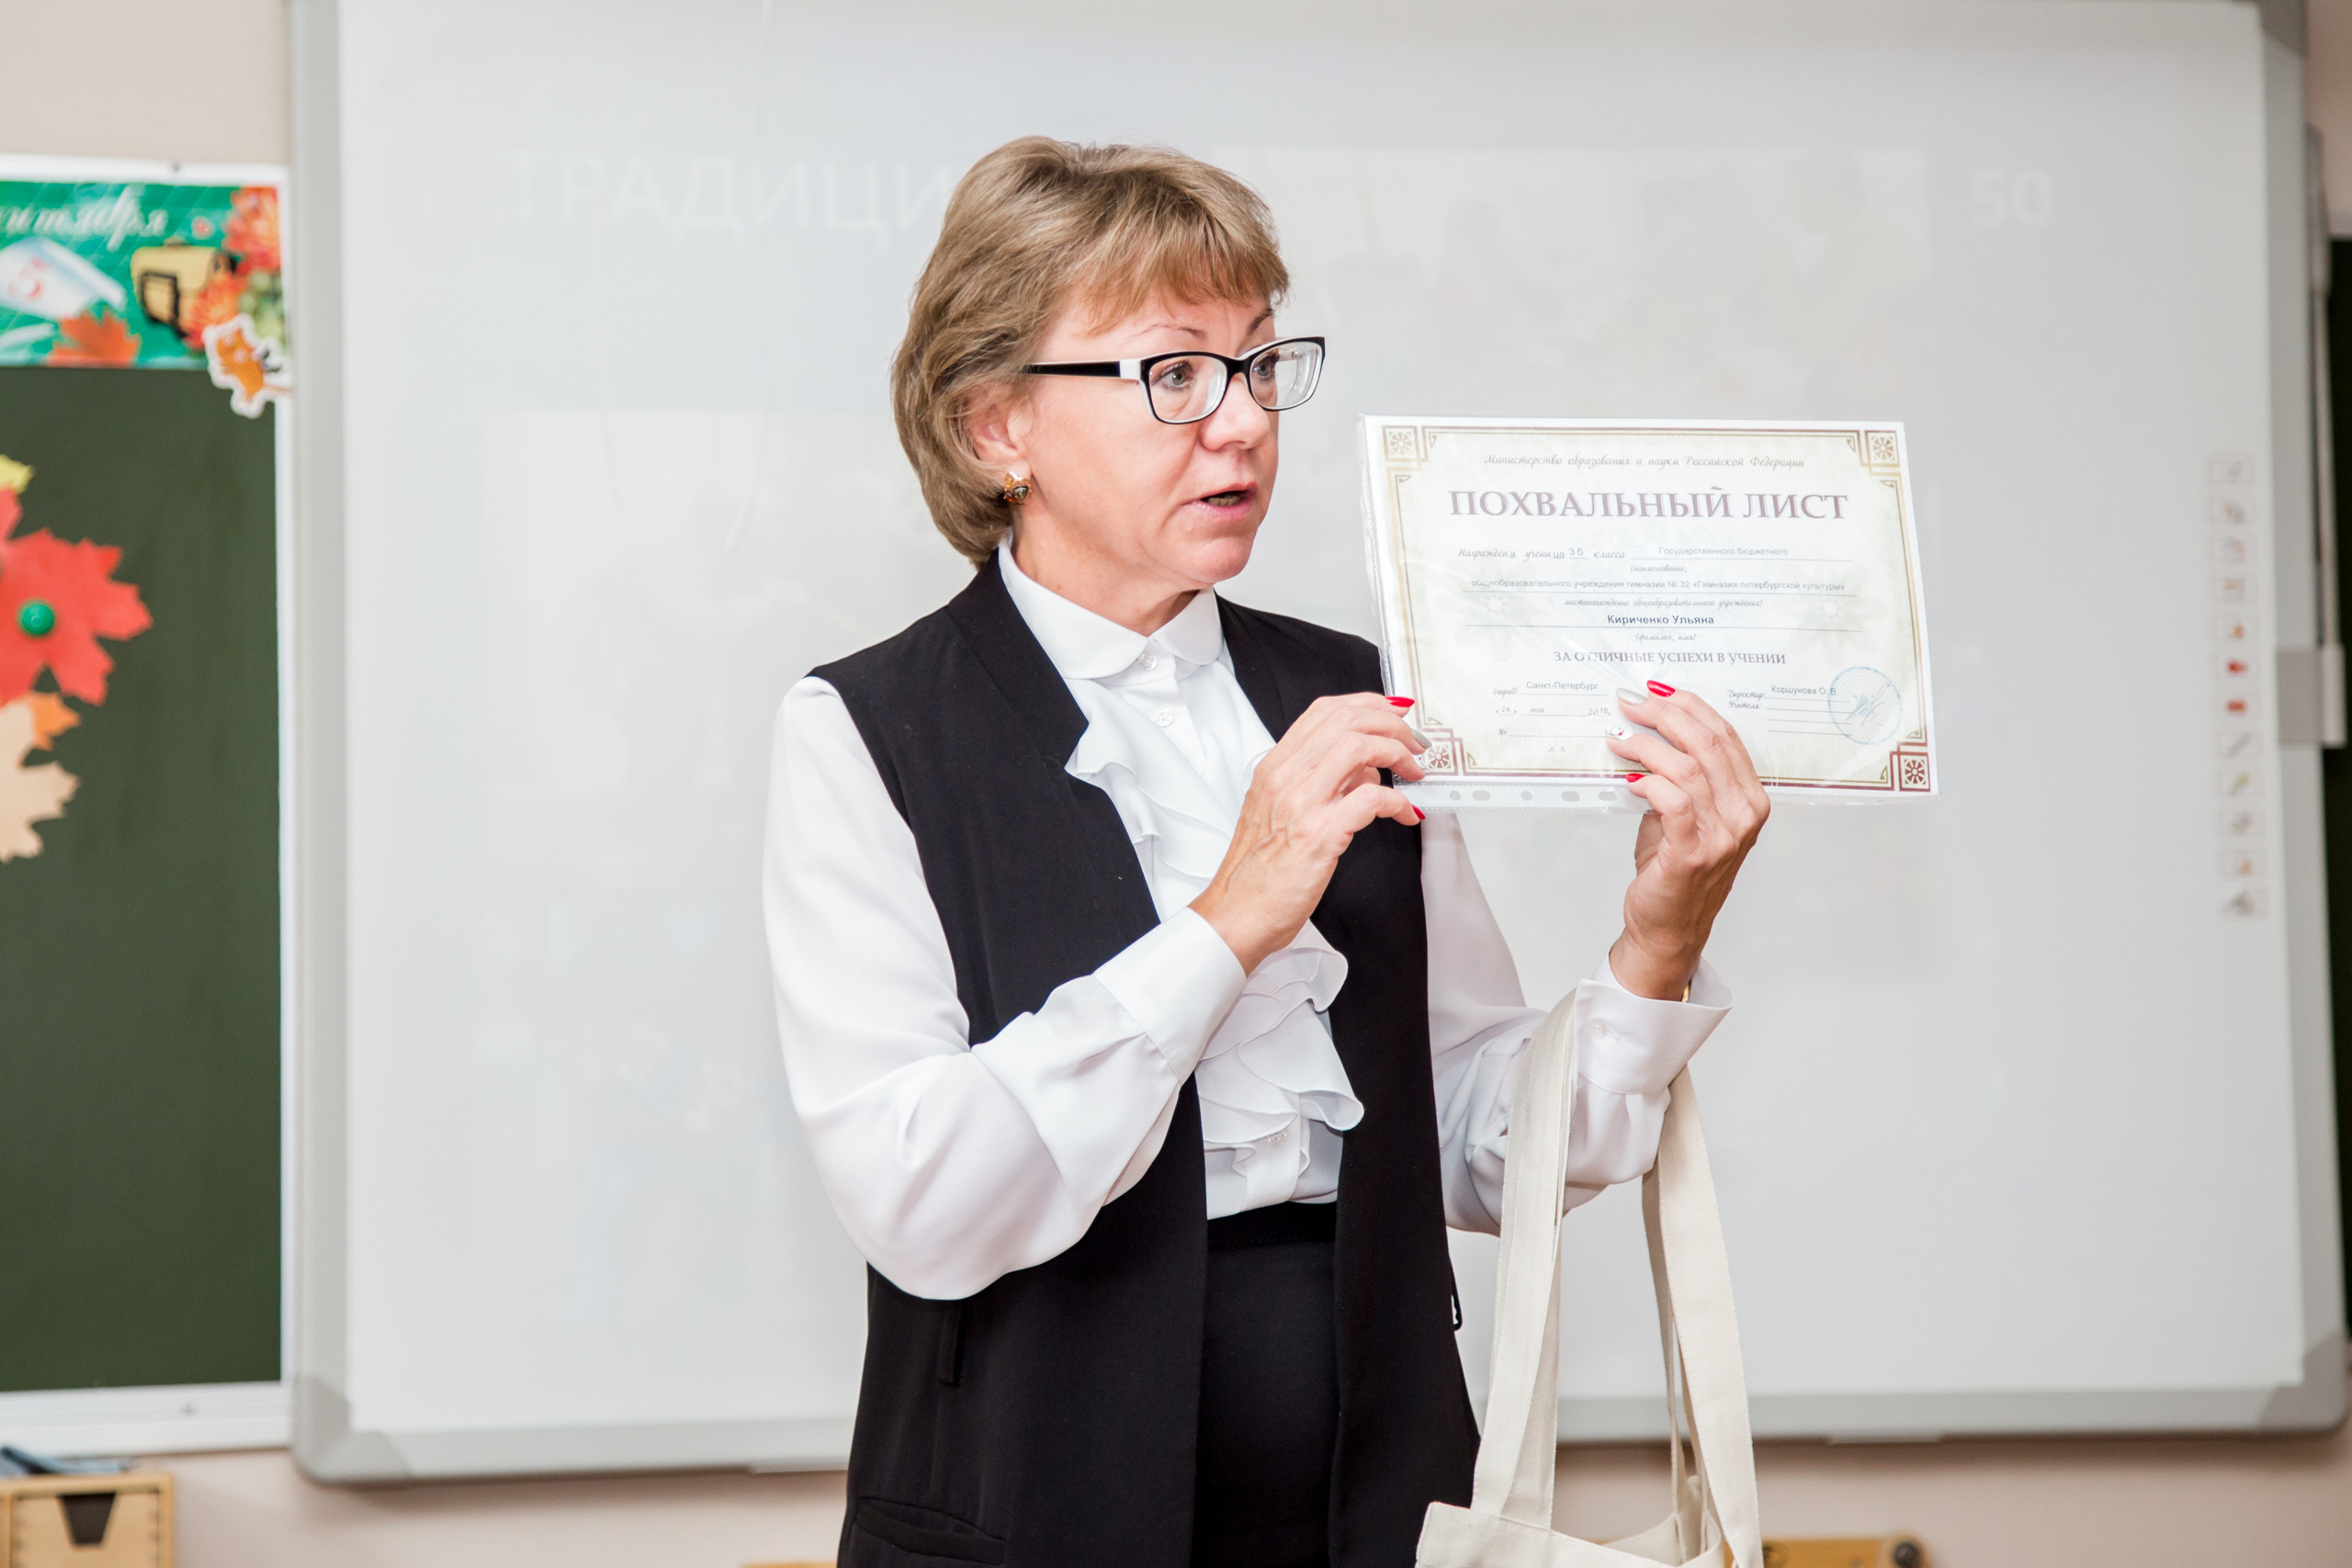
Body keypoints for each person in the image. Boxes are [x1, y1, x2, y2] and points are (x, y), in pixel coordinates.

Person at [763, 137, 1769, 1568]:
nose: (1239, 424)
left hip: (1376, 1490)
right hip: (1031, 1498)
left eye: (1258, 365)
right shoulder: (863, 729)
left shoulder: (1354, 690)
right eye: (1172, 375)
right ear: (998, 425)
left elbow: (1477, 1145)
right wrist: (1226, 921)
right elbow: (921, 1198)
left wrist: (1658, 940)